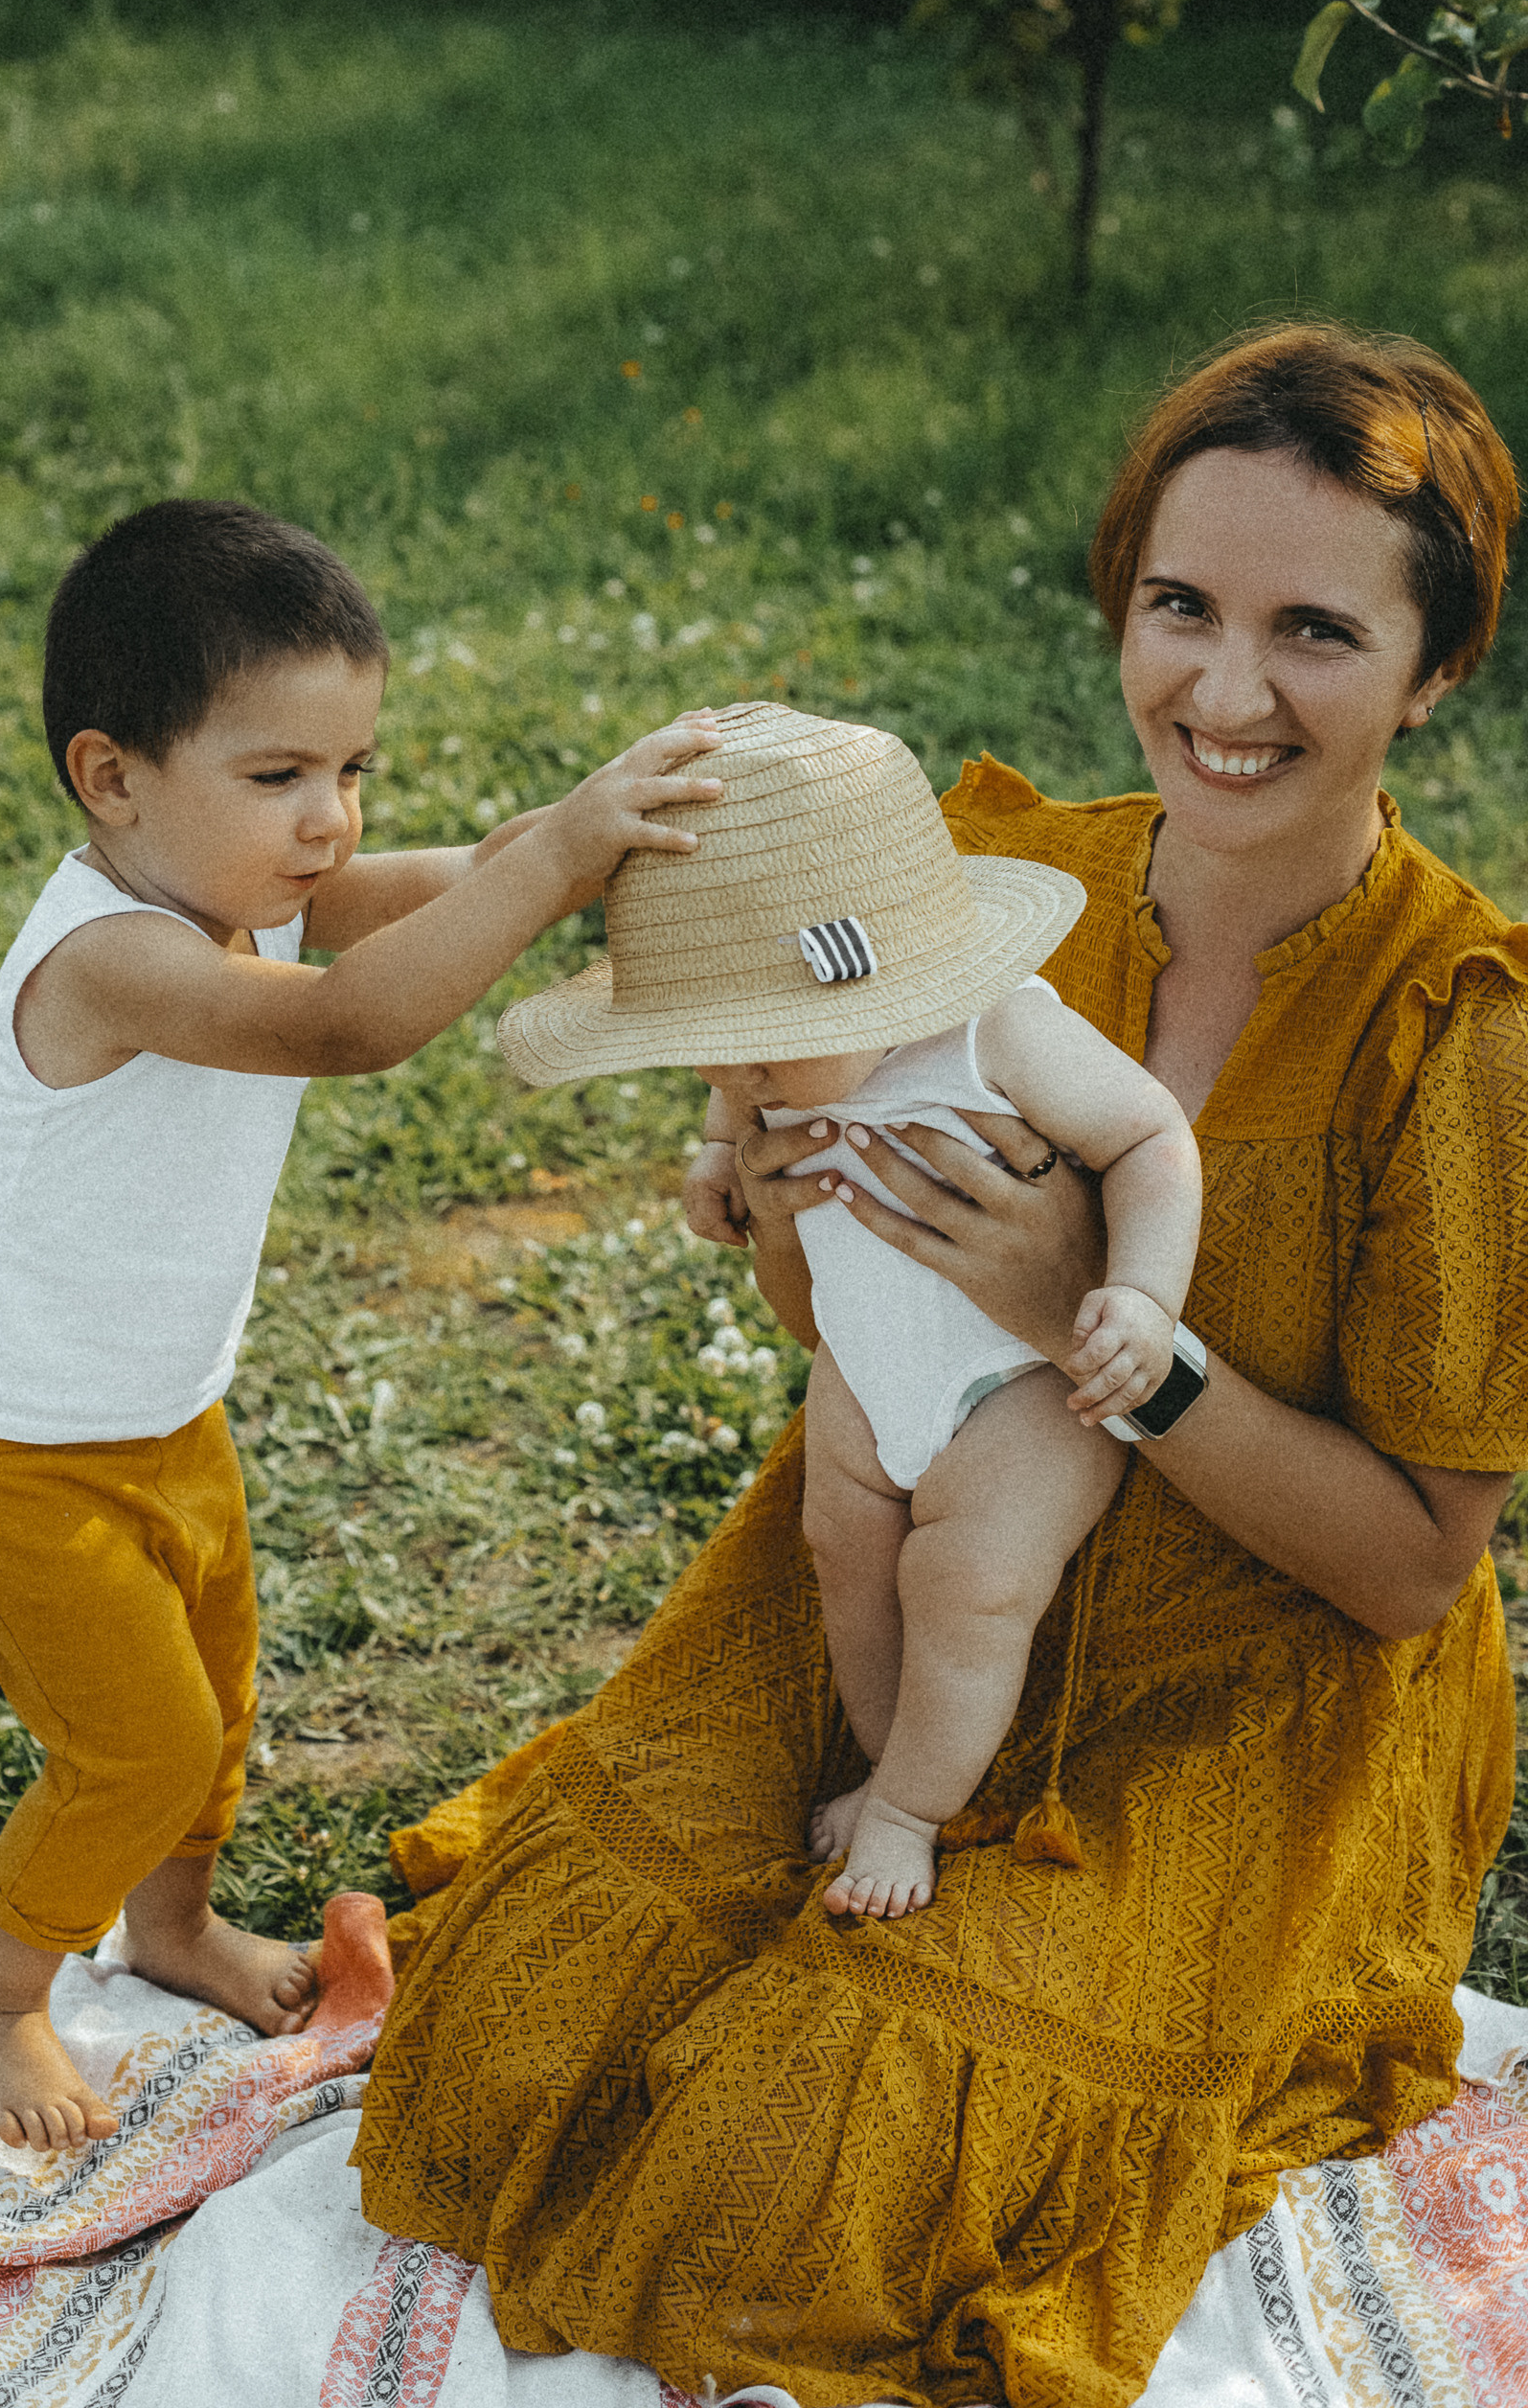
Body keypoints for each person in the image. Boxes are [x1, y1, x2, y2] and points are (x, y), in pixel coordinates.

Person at [355, 324, 1527, 2408]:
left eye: (1315, 633)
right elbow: (837, 1326)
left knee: (795, 2169)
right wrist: (777, 1193)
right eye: (1180, 608)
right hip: (889, 1551)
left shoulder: (1464, 1028)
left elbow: (1411, 1576)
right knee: (515, 2027)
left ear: (1436, 672)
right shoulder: (991, 890)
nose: (1224, 694)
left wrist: (1119, 1327)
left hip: (1241, 1673)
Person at [0, 497, 723, 2155]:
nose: (331, 822)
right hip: (14, 1446)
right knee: (136, 1745)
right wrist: (553, 859)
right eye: (280, 778)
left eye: (354, 771)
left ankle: (174, 1929)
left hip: (161, 1410)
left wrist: (568, 852)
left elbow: (458, 887)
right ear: (113, 779)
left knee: (215, 1705)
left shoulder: (252, 883)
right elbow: (353, 1025)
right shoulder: (115, 955)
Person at [497, 703, 1200, 1925]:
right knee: (848, 1555)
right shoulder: (754, 1072)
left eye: (751, 1057)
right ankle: (890, 1761)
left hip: (1018, 1384)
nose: (732, 1083)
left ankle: (914, 1811)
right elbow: (749, 1125)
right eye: (703, 1059)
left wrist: (1137, 1294)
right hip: (865, 1374)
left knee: (969, 1580)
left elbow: (1149, 1137)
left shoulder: (996, 1033)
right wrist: (722, 1156)